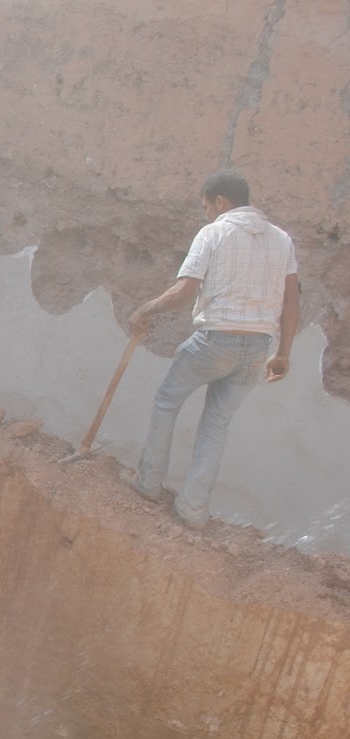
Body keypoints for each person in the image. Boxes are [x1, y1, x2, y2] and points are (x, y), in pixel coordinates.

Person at [120, 169, 299, 529]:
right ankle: (193, 508)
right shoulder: (282, 240)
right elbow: (291, 303)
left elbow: (184, 293)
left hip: (215, 339)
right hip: (257, 347)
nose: (206, 214)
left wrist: (147, 308)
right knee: (216, 424)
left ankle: (149, 482)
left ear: (221, 201)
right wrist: (283, 353)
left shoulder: (213, 232)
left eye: (206, 206)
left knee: (167, 401)